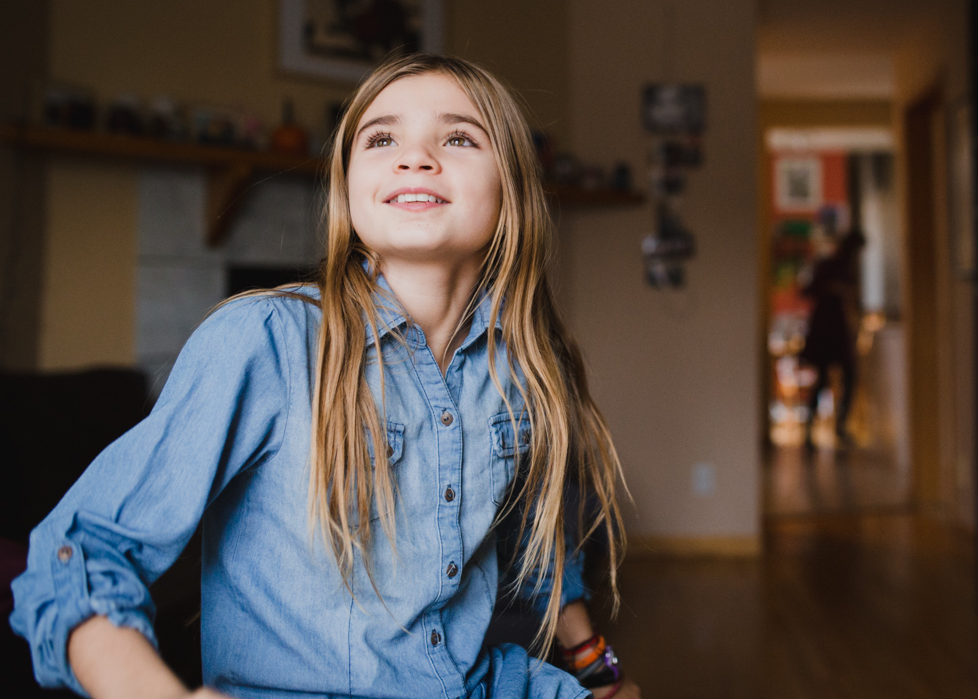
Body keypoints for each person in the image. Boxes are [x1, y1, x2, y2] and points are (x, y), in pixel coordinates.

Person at [10, 54, 638, 699]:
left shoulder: (527, 367)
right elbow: (82, 553)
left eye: (457, 137)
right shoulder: (264, 341)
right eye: (382, 138)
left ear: (512, 188)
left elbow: (541, 545)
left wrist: (592, 664)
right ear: (347, 186)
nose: (415, 157)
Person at [801, 229, 866, 453]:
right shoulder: (828, 265)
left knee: (849, 376)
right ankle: (809, 432)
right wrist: (830, 288)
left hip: (839, 332)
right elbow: (807, 291)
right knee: (822, 381)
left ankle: (839, 426)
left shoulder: (850, 270)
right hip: (824, 331)